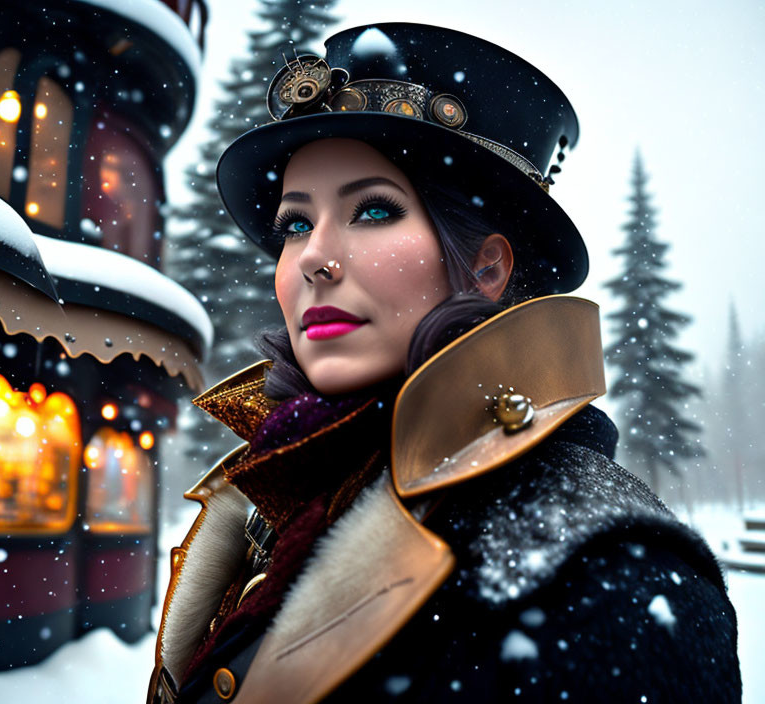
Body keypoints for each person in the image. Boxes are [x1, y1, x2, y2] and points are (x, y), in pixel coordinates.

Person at [148, 23, 741, 703]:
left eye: (373, 210)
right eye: (296, 223)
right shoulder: (284, 490)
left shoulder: (612, 579)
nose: (312, 257)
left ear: (487, 266)